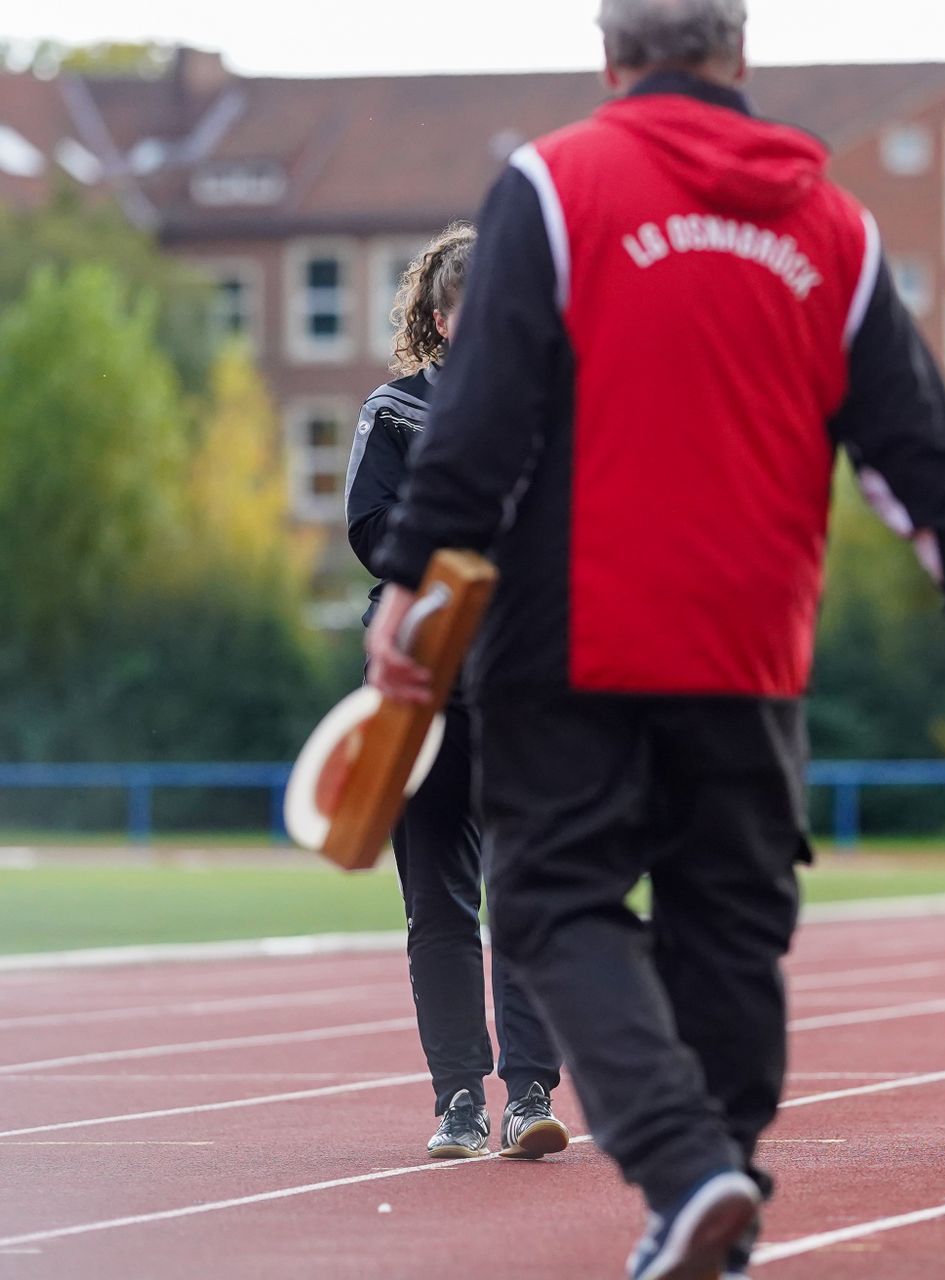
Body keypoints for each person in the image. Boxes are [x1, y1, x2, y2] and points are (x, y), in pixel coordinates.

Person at [363, 1, 945, 1275]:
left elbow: (480, 412)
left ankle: (689, 1177)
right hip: (750, 640)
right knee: (729, 925)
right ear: (740, 55)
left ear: (609, 56)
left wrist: (406, 582)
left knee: (554, 895)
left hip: (567, 635)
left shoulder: (553, 189)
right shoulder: (830, 223)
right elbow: (916, 448)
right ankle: (716, 1202)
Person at [343, 221, 569, 1162]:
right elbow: (371, 527)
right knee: (437, 900)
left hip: (532, 681)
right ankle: (458, 1102)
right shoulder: (393, 411)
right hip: (424, 681)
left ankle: (528, 1098)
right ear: (438, 318)